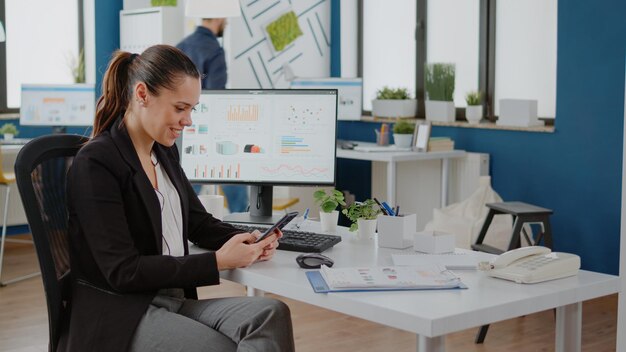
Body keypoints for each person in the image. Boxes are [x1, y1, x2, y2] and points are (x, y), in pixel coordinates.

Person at [65, 45, 295, 352]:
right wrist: (217, 261)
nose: (188, 121)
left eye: (192, 109)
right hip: (122, 312)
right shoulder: (97, 163)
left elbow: (198, 223)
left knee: (271, 314)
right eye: (179, 108)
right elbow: (123, 272)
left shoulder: (163, 151)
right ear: (143, 94)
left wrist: (248, 238)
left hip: (171, 297)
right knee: (221, 346)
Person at [177, 17, 249, 213]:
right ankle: (242, 223)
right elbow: (218, 98)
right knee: (234, 178)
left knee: (186, 187)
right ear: (218, 17)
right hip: (210, 127)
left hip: (183, 128)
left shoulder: (181, 46)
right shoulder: (214, 49)